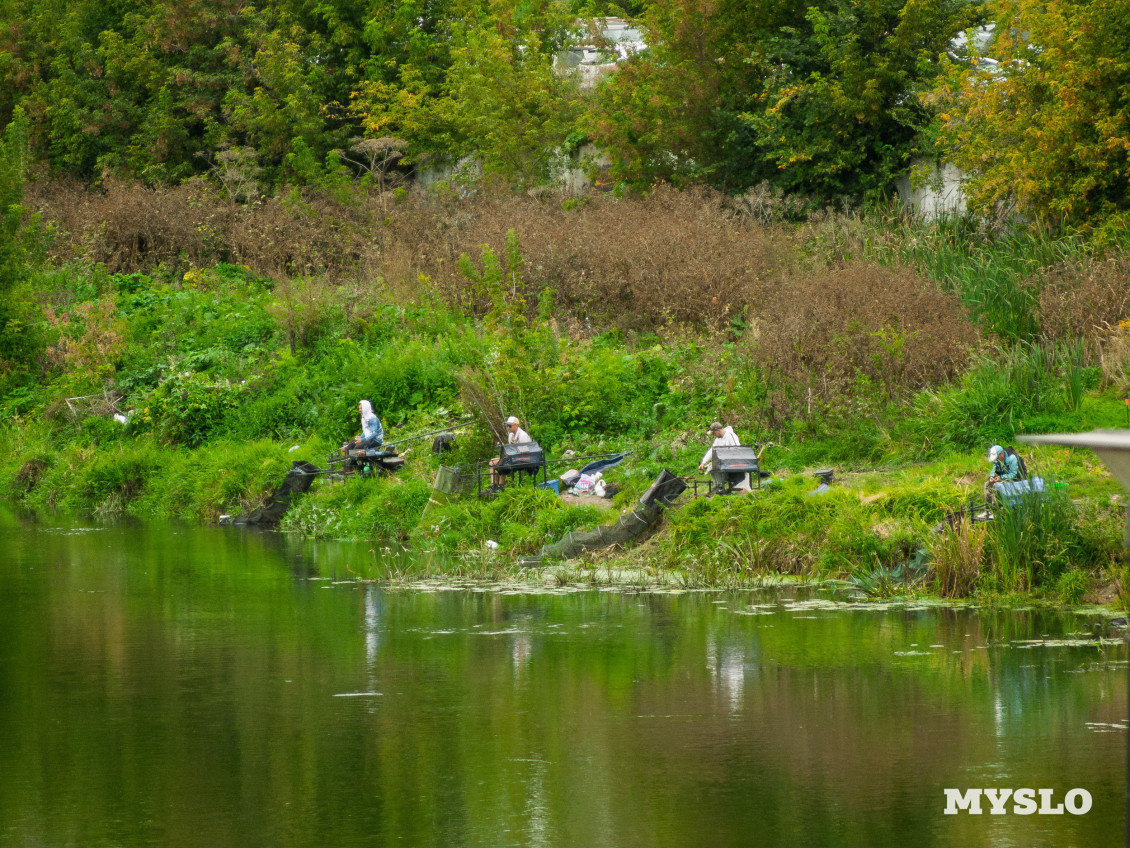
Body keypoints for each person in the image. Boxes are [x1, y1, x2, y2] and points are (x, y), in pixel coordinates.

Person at [698, 421, 771, 494]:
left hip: (734, 461)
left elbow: (736, 450)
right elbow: (712, 450)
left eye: (714, 433)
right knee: (712, 467)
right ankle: (719, 486)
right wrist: (703, 462)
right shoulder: (717, 440)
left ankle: (723, 487)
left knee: (718, 467)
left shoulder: (730, 436)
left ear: (719, 430)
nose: (714, 435)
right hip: (725, 462)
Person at [489, 416, 531, 488]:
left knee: (502, 463)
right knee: (492, 462)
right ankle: (494, 485)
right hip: (513, 458)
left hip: (522, 459)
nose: (508, 427)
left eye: (510, 426)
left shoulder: (523, 435)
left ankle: (501, 485)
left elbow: (526, 451)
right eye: (507, 426)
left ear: (516, 425)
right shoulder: (511, 435)